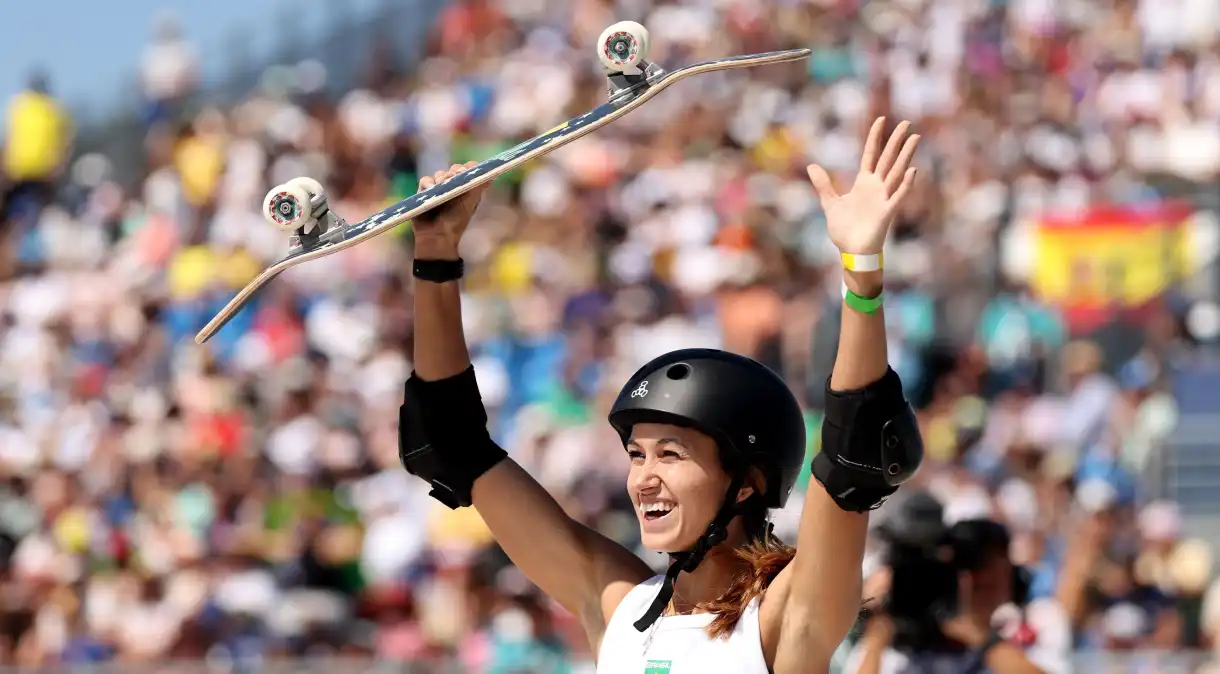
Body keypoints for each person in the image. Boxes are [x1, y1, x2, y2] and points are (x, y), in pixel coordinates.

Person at [397, 116, 926, 673]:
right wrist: (435, 255)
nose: (642, 477)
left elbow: (859, 452)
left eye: (670, 454)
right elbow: (451, 444)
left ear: (746, 483)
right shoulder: (620, 606)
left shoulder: (784, 616)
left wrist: (861, 276)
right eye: (636, 454)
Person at [846, 517, 1071, 674]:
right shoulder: (895, 645)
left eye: (984, 566)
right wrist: (876, 639)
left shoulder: (1035, 621)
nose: (979, 580)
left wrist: (978, 637)